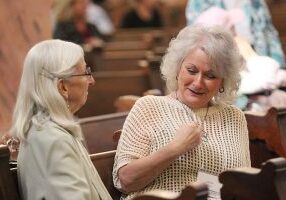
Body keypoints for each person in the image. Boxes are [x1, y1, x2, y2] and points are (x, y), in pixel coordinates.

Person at [113, 25, 251, 199]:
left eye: (211, 76)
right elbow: (125, 181)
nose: (198, 83)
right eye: (191, 71)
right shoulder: (149, 107)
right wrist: (176, 148)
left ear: (222, 82)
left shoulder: (234, 117)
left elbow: (242, 184)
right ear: (178, 68)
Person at [10, 39, 112, 200]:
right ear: (63, 87)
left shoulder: (49, 130)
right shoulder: (52, 139)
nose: (92, 81)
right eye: (86, 72)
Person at [185, 0, 286, 69]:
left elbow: (270, 34)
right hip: (220, 61)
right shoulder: (200, 2)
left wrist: (279, 67)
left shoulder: (256, 2)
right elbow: (196, 38)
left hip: (255, 57)